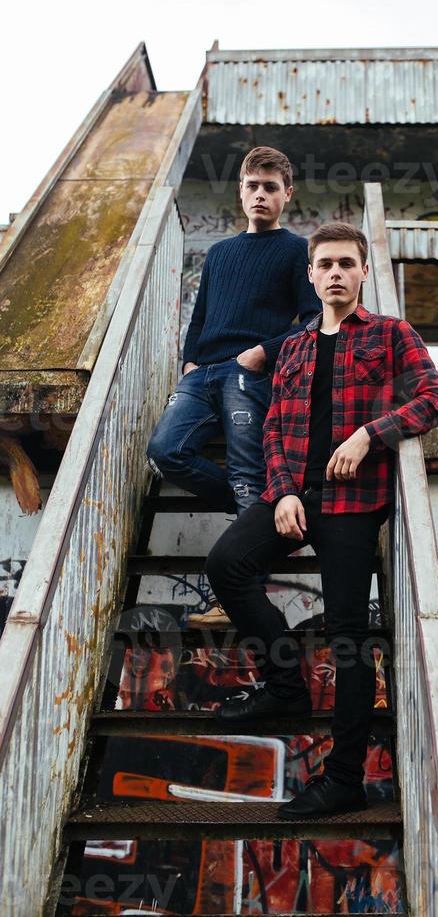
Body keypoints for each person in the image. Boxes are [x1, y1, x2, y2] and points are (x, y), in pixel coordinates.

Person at [205, 221, 438, 818]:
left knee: (349, 641)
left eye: (348, 262)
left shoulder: (391, 335)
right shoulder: (291, 347)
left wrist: (372, 433)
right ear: (312, 274)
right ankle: (285, 683)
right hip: (294, 497)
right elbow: (272, 430)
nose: (337, 273)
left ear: (364, 272)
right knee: (226, 564)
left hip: (353, 504)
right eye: (326, 264)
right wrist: (283, 492)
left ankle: (343, 780)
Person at [146, 147, 320, 626]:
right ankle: (265, 507)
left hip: (250, 371)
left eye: (270, 187)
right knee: (165, 450)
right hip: (203, 372)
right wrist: (188, 361)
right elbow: (200, 316)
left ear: (287, 194)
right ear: (240, 190)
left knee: (248, 471)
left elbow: (314, 319)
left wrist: (263, 352)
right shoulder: (220, 253)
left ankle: (237, 594)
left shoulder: (296, 251)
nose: (260, 195)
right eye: (252, 186)